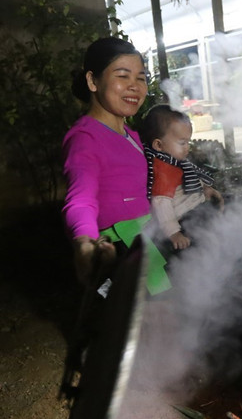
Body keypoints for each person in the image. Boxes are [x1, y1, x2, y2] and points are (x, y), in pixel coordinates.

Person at [61, 37, 169, 295]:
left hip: (143, 240)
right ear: (92, 81)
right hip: (118, 249)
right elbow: (80, 198)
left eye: (141, 78)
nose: (134, 87)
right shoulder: (85, 138)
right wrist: (85, 242)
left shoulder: (129, 133)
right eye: (123, 76)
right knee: (137, 325)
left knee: (158, 320)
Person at [139, 105, 223, 252]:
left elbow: (190, 178)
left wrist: (205, 188)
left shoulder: (174, 160)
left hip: (195, 208)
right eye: (182, 143)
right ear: (159, 144)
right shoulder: (163, 170)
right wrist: (174, 233)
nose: (187, 148)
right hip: (185, 220)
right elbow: (160, 203)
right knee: (210, 240)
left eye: (188, 142)